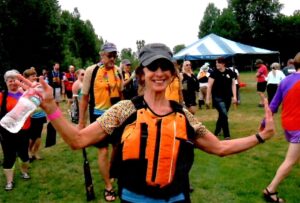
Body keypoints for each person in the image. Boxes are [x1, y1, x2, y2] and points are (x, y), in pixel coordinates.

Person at [16, 43, 275, 203]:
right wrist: (50, 108)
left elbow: (219, 147)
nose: (160, 73)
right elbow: (78, 140)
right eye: (153, 67)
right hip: (134, 199)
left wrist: (260, 137)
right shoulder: (124, 110)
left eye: (165, 67)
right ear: (142, 74)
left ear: (173, 73)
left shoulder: (183, 115)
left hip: (177, 198)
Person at [79, 42, 122, 202]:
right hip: (99, 116)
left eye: (115, 55)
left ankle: (111, 173)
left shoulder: (118, 71)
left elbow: (122, 94)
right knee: (103, 151)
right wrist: (81, 122)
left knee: (117, 147)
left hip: (117, 115)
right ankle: (108, 186)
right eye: (110, 55)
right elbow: (84, 98)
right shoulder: (92, 70)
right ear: (101, 55)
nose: (113, 58)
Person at [262, 52, 300, 203]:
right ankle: (270, 190)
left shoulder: (285, 81)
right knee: (290, 161)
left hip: (289, 126)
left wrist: (264, 122)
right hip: (298, 127)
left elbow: (273, 106)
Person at [0, 70, 31, 191]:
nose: (13, 83)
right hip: (7, 132)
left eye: (15, 80)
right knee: (9, 156)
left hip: (24, 129)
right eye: (10, 80)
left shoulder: (26, 94)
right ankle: (9, 181)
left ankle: (24, 172)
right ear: (6, 82)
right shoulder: (2, 96)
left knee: (24, 154)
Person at [206, 57, 237, 140]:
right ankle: (227, 135)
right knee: (224, 115)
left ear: (223, 64)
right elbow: (209, 86)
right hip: (217, 98)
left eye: (218, 63)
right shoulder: (213, 73)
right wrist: (207, 99)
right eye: (216, 63)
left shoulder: (230, 72)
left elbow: (233, 84)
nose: (217, 64)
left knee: (222, 115)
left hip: (227, 97)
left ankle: (216, 131)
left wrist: (234, 96)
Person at [23, 68, 47, 161]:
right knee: (31, 136)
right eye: (32, 76)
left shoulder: (39, 86)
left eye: (35, 75)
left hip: (40, 114)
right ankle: (28, 151)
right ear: (27, 78)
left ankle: (35, 152)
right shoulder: (24, 88)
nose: (34, 77)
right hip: (30, 116)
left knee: (38, 135)